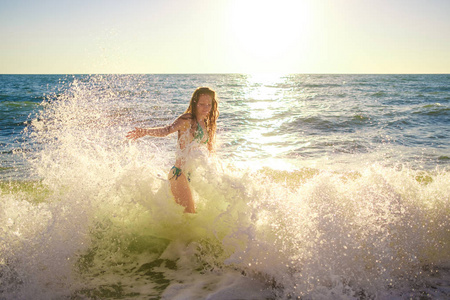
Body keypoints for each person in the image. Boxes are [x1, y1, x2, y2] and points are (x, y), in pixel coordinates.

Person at [126, 87, 219, 213]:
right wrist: (145, 131)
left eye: (209, 104)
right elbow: (167, 130)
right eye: (202, 104)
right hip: (178, 174)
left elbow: (209, 150)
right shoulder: (187, 120)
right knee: (190, 214)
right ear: (195, 103)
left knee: (191, 215)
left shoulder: (207, 124)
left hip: (192, 176)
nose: (206, 108)